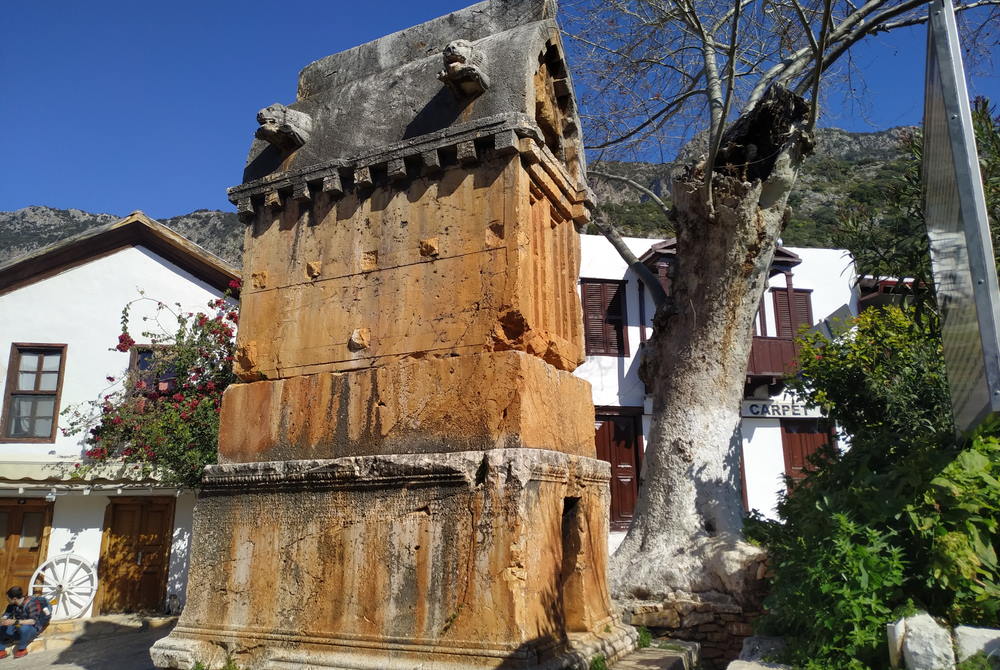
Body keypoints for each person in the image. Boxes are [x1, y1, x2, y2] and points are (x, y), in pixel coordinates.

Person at [0, 586, 51, 659]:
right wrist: (3, 620)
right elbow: (6, 615)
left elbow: (33, 621)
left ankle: (22, 649)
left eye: (8, 598)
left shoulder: (31, 603)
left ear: (14, 599)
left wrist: (15, 622)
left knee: (24, 628)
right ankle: (1, 650)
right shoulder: (12, 605)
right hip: (18, 627)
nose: (7, 600)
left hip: (31, 628)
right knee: (2, 627)